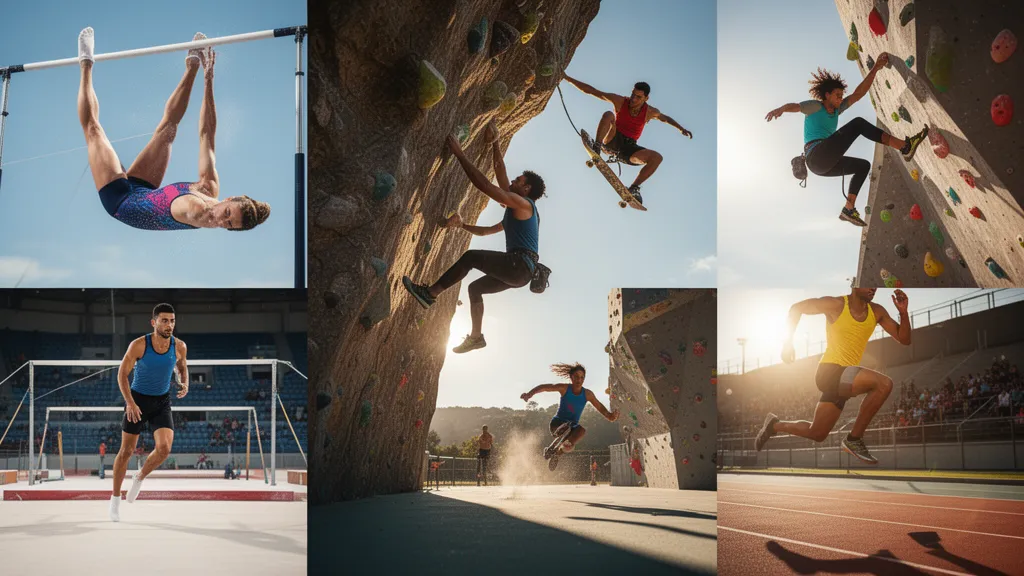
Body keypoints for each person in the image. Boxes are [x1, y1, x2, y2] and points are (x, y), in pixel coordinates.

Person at [76, 27, 270, 232]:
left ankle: (86, 62)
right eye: (228, 213)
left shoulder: (199, 214)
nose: (221, 220)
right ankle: (193, 63)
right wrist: (208, 79)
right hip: (144, 190)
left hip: (120, 203)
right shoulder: (209, 186)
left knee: (93, 130)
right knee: (168, 130)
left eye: (228, 225)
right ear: (229, 199)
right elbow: (207, 133)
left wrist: (208, 217)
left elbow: (201, 217)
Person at [402, 122, 545, 354]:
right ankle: (477, 337)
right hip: (521, 274)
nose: (512, 182)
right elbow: (487, 229)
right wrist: (496, 143)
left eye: (518, 181)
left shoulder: (524, 205)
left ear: (527, 189)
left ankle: (429, 294)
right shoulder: (518, 214)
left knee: (470, 257)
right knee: (475, 288)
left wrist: (460, 154)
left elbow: (487, 186)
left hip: (519, 265)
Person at [765, 54, 929, 227]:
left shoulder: (837, 110)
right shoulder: (816, 106)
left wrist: (876, 68)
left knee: (863, 166)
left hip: (822, 166)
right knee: (858, 123)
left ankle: (848, 208)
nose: (840, 98)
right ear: (826, 95)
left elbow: (859, 93)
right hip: (816, 155)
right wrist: (781, 109)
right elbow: (797, 107)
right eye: (837, 95)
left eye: (841, 95)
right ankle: (904, 146)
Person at [755, 288, 910, 464]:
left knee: (817, 433)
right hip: (829, 372)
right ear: (855, 284)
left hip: (844, 379)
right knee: (883, 384)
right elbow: (796, 308)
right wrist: (787, 343)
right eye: (868, 284)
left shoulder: (877, 311)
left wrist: (903, 313)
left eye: (875, 286)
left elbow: (904, 338)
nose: (872, 289)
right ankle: (854, 440)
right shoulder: (836, 305)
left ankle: (774, 425)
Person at [109, 303, 189, 522]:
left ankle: (140, 477)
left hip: (162, 401)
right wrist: (130, 403)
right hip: (137, 400)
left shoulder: (179, 346)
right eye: (164, 320)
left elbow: (182, 366)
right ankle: (115, 500)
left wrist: (185, 382)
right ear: (154, 322)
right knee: (126, 451)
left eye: (172, 320)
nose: (169, 325)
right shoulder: (139, 345)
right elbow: (121, 375)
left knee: (164, 449)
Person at [562, 74, 692, 204]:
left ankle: (634, 188)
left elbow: (665, 118)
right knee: (608, 115)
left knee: (657, 158)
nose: (633, 99)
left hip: (629, 149)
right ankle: (597, 146)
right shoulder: (620, 101)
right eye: (633, 95)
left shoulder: (650, 112)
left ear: (646, 98)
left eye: (638, 97)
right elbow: (591, 90)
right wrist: (566, 77)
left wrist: (681, 128)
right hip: (612, 140)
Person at [520, 363, 619, 470]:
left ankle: (557, 452)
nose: (579, 380)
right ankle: (561, 433)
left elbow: (599, 406)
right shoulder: (565, 388)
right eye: (576, 377)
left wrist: (610, 416)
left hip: (572, 428)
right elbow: (545, 387)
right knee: (567, 426)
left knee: (581, 431)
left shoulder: (587, 394)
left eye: (582, 378)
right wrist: (529, 394)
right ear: (571, 378)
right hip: (556, 424)